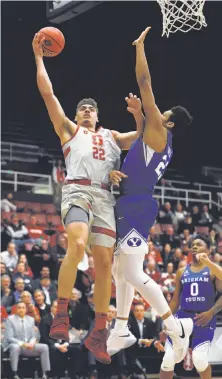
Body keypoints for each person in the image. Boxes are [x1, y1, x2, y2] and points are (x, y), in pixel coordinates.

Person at [32, 32, 144, 364]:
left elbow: (143, 138)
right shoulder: (68, 130)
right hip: (78, 190)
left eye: (89, 109)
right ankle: (62, 314)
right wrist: (39, 57)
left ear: (97, 116)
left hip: (106, 199)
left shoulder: (111, 136)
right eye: (81, 108)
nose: (84, 111)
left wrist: (139, 113)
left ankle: (99, 332)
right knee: (77, 245)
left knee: (105, 265)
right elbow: (47, 92)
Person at [107, 26, 193, 364]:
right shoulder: (152, 137)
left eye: (163, 114)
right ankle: (121, 328)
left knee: (131, 273)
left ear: (168, 123)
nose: (160, 114)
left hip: (137, 204)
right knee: (119, 269)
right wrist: (138, 116)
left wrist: (140, 47)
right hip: (135, 202)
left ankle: (174, 327)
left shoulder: (159, 132)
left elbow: (144, 83)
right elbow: (132, 136)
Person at [160, 236, 222, 379]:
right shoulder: (182, 271)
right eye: (192, 245)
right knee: (168, 358)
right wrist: (166, 321)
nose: (194, 247)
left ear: (208, 249)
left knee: (199, 360)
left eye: (199, 244)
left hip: (204, 318)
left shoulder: (212, 270)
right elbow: (175, 299)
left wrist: (211, 312)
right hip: (182, 317)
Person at [3, 302, 50, 379]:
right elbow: (9, 337)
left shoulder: (31, 319)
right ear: (16, 309)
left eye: (23, 308)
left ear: (26, 310)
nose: (21, 310)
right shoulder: (10, 319)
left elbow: (33, 336)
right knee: (15, 347)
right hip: (15, 344)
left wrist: (31, 343)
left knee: (44, 347)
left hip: (28, 345)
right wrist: (23, 344)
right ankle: (14, 373)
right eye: (19, 308)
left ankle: (45, 374)